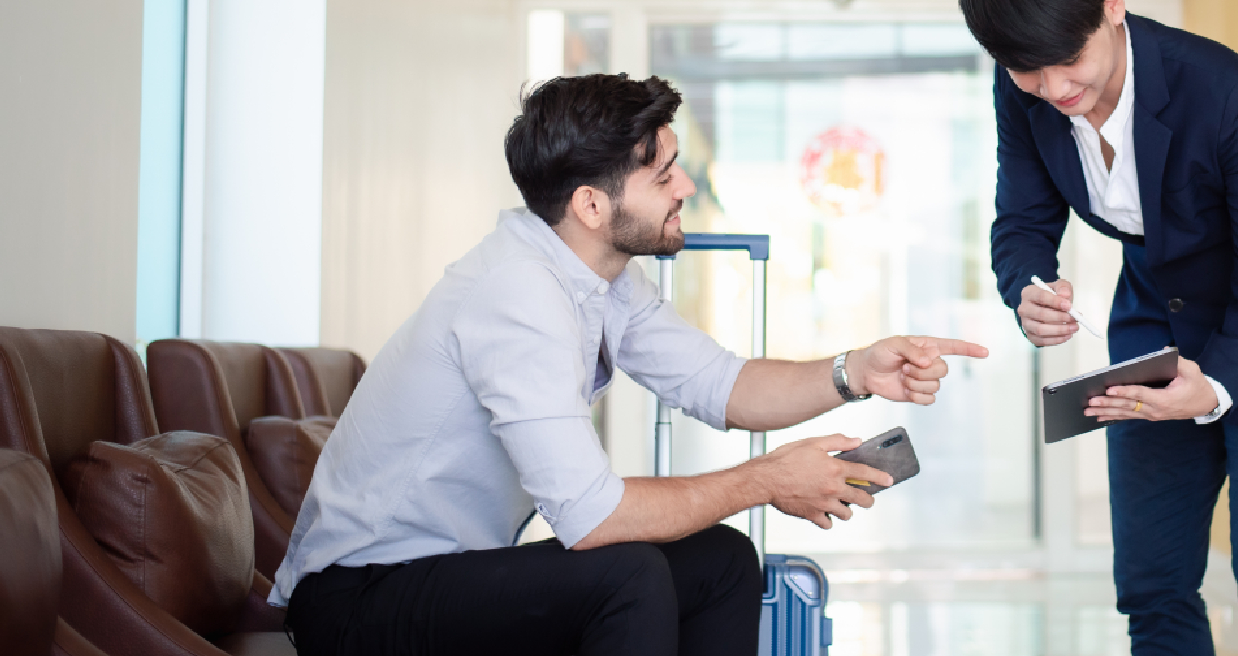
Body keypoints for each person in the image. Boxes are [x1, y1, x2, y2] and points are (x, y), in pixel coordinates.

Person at [271, 72, 988, 656]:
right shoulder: (516, 293)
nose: (686, 188)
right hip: (358, 600)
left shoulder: (599, 276)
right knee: (627, 573)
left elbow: (724, 385)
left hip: (444, 574)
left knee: (721, 562)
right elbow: (592, 518)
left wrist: (855, 370)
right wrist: (766, 480)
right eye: (664, 175)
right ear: (591, 204)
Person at [960, 0, 1238, 656]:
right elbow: (1021, 217)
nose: (1053, 88)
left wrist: (1216, 386)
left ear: (1111, 0)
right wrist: (1027, 287)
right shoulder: (1023, 86)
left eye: (1067, 60)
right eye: (1027, 71)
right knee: (1152, 581)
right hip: (1159, 321)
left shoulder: (1226, 91)